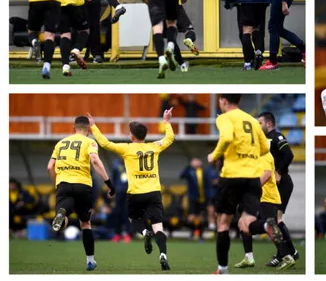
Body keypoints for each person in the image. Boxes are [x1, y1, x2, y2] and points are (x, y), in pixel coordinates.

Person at [90, 109, 175, 271]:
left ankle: (144, 232)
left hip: (135, 193)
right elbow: (170, 138)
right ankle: (163, 254)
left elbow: (105, 144)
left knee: (133, 221)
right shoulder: (155, 147)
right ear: (145, 135)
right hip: (154, 193)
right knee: (158, 227)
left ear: (132, 136)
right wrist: (166, 121)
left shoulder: (127, 148)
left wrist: (94, 127)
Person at [207, 94, 270, 275]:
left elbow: (226, 138)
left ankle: (222, 269)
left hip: (233, 175)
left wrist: (214, 155)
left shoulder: (225, 117)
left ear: (224, 101)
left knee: (224, 223)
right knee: (246, 221)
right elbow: (265, 148)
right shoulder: (252, 119)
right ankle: (266, 226)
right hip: (252, 177)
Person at [48, 115, 115, 271]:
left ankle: (61, 216)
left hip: (63, 184)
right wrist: (109, 183)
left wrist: (57, 183)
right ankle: (90, 261)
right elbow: (95, 161)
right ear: (89, 130)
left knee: (63, 216)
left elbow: (50, 167)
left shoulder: (60, 143)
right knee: (85, 223)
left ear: (74, 128)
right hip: (82, 185)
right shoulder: (90, 142)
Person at [234, 136, 296, 271]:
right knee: (243, 222)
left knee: (268, 225)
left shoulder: (263, 155)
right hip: (261, 197)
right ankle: (249, 256)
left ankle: (286, 255)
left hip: (266, 197)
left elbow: (267, 174)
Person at [257, 112, 300, 267]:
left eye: (260, 123)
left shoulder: (277, 136)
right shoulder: (262, 140)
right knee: (271, 220)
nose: (258, 126)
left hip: (283, 182)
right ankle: (289, 252)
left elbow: (289, 154)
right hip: (271, 185)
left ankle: (285, 254)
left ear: (269, 123)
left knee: (276, 220)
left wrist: (279, 172)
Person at [135, 0, 199, 72]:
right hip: (174, 3)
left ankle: (181, 64)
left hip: (158, 7)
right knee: (188, 29)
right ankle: (189, 39)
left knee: (170, 38)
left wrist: (151, 4)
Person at [179, 158, 215, 240]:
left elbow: (208, 184)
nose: (196, 163)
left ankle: (200, 234)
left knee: (201, 217)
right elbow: (181, 175)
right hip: (193, 198)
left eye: (197, 161)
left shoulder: (204, 171)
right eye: (194, 162)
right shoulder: (189, 171)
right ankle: (192, 232)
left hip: (203, 198)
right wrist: (189, 166)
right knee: (191, 217)